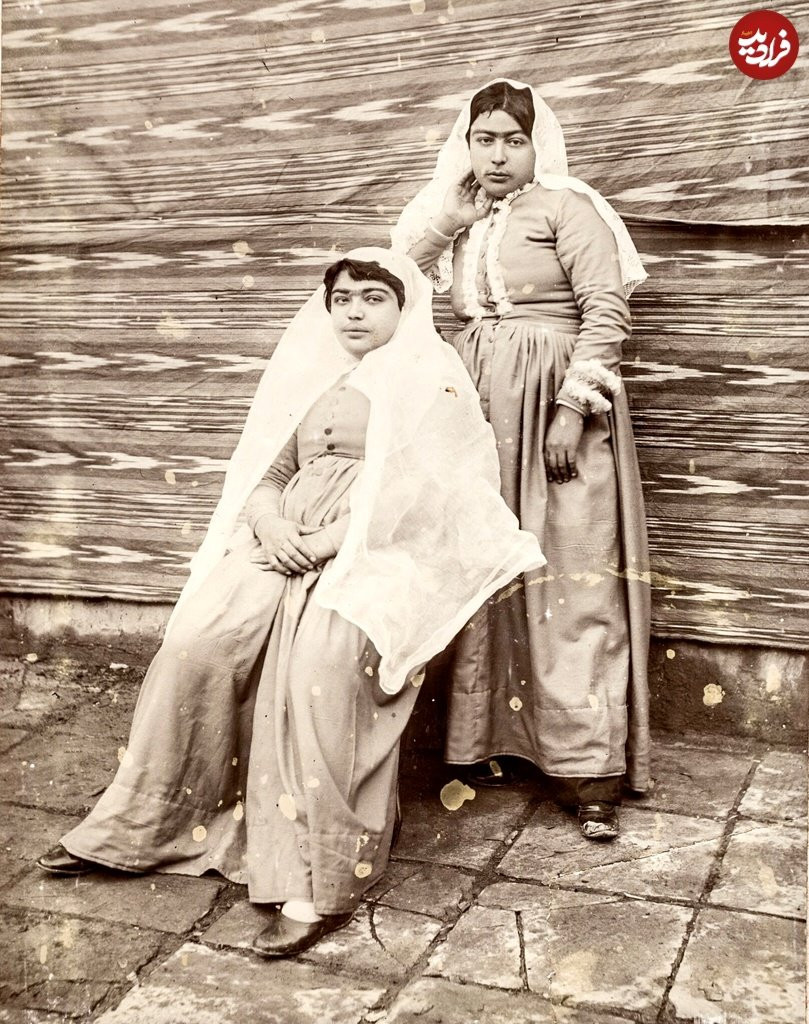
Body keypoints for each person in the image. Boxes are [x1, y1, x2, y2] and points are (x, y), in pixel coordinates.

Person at [36, 248, 542, 956]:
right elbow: (270, 470)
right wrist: (272, 524)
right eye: (342, 300)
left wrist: (335, 540)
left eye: (372, 299)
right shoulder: (316, 377)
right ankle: (141, 828)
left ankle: (316, 875)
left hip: (380, 551)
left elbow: (430, 493)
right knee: (198, 642)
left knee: (320, 670)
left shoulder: (432, 381)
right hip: (282, 543)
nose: (354, 313)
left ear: (405, 308)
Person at [392, 79, 652, 840]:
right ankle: (481, 745)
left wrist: (572, 409)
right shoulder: (460, 214)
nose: (498, 155)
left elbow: (606, 311)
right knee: (478, 566)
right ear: (466, 145)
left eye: (514, 140)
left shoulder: (568, 207)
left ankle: (587, 769)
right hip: (473, 404)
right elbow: (398, 281)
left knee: (569, 572)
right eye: (485, 140)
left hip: (554, 403)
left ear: (539, 146)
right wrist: (450, 218)